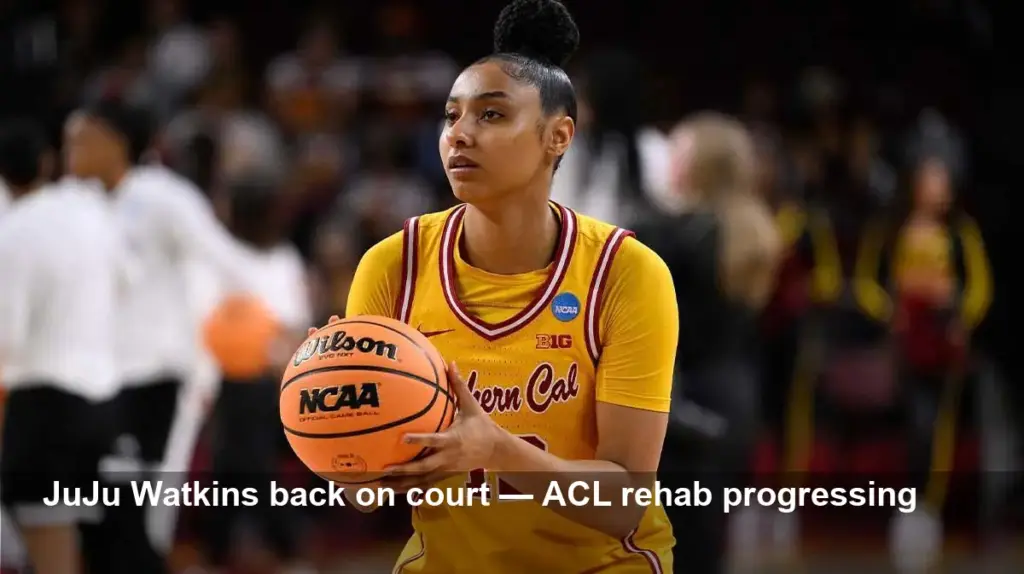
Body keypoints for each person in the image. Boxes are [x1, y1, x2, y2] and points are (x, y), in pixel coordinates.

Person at [340, 0, 678, 571]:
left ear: (558, 136)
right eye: (451, 116)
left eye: (491, 115)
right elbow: (362, 494)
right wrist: (336, 415)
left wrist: (497, 450)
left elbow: (623, 502)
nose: (460, 134)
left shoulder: (626, 273)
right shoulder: (391, 265)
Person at [62, 99, 262, 574]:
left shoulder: (164, 198)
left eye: (82, 140)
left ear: (116, 143)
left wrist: (269, 322)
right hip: (92, 377)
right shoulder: (73, 205)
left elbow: (228, 261)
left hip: (157, 376)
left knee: (145, 514)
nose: (70, 151)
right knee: (96, 512)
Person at [637, 113, 781, 574]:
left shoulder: (683, 235)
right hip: (737, 398)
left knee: (680, 544)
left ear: (698, 165)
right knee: (709, 542)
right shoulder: (749, 228)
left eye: (675, 152)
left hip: (689, 403)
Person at [0, 119, 122, 574]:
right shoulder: (88, 213)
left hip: (43, 405)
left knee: (49, 552)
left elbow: (6, 337)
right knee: (80, 546)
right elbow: (127, 279)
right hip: (102, 403)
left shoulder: (12, 233)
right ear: (47, 162)